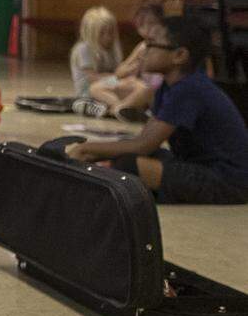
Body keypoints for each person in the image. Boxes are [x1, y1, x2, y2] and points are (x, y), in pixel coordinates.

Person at [66, 17, 248, 204]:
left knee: (128, 165)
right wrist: (96, 151)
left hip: (228, 181)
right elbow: (143, 141)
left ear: (179, 55)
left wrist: (87, 149)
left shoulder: (189, 88)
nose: (143, 51)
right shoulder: (168, 86)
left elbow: (144, 144)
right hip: (197, 165)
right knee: (130, 153)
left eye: (151, 45)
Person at [88, 0, 165, 122]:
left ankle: (114, 110)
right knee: (95, 87)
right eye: (141, 26)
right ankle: (121, 108)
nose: (147, 30)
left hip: (154, 93)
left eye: (151, 24)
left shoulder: (166, 46)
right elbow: (118, 73)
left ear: (162, 23)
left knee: (146, 90)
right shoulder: (142, 47)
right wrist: (130, 70)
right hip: (137, 88)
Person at [69, 6, 122, 117]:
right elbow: (93, 78)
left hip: (108, 83)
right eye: (102, 33)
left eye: (111, 32)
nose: (108, 37)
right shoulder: (84, 49)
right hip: (87, 91)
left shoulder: (112, 50)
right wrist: (117, 79)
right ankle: (119, 107)